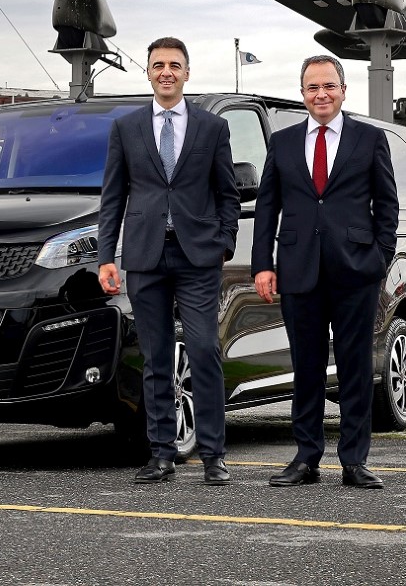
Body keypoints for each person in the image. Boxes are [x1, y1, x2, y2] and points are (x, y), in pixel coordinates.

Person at [97, 37, 240, 485]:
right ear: (148, 72)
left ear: (186, 73)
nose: (166, 72)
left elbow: (228, 194)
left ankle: (214, 455)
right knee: (156, 357)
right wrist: (106, 257)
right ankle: (161, 454)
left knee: (204, 349)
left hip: (198, 257)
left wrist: (224, 243)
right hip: (145, 256)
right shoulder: (126, 128)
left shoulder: (212, 128)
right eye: (158, 65)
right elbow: (112, 197)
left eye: (174, 65)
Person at [251, 54, 397, 489]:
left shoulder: (369, 139)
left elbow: (387, 205)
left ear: (343, 90)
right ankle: (306, 457)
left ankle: (354, 460)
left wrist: (379, 259)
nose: (321, 94)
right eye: (313, 87)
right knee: (307, 368)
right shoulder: (283, 142)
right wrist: (263, 265)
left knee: (355, 368)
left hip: (356, 271)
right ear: (302, 94)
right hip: (298, 271)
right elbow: (267, 208)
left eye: (329, 86)